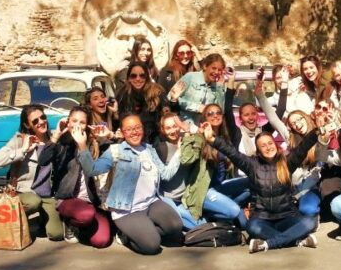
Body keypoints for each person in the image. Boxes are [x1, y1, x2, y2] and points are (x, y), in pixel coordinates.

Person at [202, 122, 320, 253]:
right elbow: (232, 153)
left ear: (276, 145)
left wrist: (318, 130)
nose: (268, 147)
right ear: (258, 151)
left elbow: (303, 147)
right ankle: (297, 240)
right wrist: (212, 139)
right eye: (263, 146)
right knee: (251, 227)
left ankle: (267, 244)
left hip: (287, 215)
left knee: (310, 222)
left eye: (270, 143)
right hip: (262, 218)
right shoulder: (252, 165)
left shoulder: (287, 163)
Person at [76, 114, 183, 255]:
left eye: (137, 127)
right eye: (129, 129)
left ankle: (143, 230)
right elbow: (92, 170)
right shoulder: (116, 151)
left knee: (175, 227)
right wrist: (82, 146)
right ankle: (126, 235)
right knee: (152, 245)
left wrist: (180, 151)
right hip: (127, 210)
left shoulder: (149, 149)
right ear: (122, 132)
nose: (134, 132)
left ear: (143, 129)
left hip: (151, 203)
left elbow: (165, 174)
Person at [154, 113, 247, 230]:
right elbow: (167, 174)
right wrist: (179, 150)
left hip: (189, 197)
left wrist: (195, 131)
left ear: (180, 126)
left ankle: (210, 215)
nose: (173, 130)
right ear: (162, 130)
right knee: (197, 226)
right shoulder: (162, 148)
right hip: (170, 199)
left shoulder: (189, 141)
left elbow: (203, 144)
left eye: (175, 126)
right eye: (168, 128)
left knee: (230, 212)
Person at [38, 106, 112, 248]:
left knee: (101, 240)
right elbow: (43, 160)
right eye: (74, 121)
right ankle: (70, 223)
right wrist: (56, 135)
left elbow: (116, 154)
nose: (77, 125)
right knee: (85, 214)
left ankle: (83, 225)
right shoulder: (62, 143)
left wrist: (109, 136)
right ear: (68, 122)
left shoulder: (94, 143)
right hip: (68, 198)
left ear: (88, 125)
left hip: (91, 201)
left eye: (82, 122)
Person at [0, 105, 63, 241]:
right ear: (27, 125)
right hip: (25, 192)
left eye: (43, 117)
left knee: (56, 234)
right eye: (35, 121)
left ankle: (42, 220)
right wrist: (22, 150)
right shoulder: (20, 140)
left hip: (47, 194)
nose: (41, 122)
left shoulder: (55, 137)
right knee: (34, 202)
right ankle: (18, 220)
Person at [256, 78, 324, 219]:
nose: (297, 124)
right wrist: (260, 95)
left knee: (307, 210)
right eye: (293, 123)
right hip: (295, 186)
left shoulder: (320, 133)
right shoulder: (291, 138)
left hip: (314, 185)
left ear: (306, 118)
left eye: (299, 119)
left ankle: (315, 212)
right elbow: (274, 119)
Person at [168, 53, 226, 124]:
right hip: (184, 125)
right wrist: (197, 107)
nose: (216, 72)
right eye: (213, 68)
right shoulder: (190, 77)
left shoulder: (217, 87)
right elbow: (170, 97)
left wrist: (219, 89)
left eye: (219, 70)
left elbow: (221, 111)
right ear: (205, 66)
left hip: (203, 128)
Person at [116, 62, 164, 144]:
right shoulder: (123, 95)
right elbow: (120, 120)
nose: (138, 79)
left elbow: (167, 112)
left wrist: (173, 101)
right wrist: (114, 113)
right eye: (133, 76)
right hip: (132, 139)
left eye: (142, 75)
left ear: (147, 77)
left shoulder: (157, 93)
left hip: (154, 139)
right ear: (128, 78)